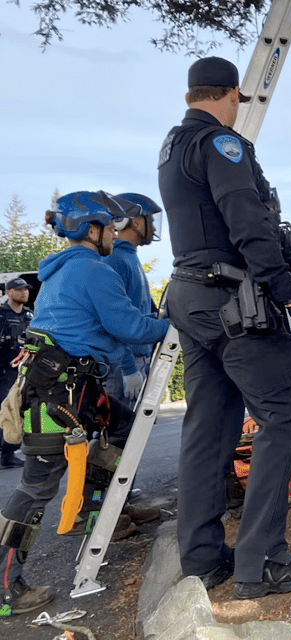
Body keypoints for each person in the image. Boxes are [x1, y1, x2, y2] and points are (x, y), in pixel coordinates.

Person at [157, 56, 291, 600]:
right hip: (234, 300)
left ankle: (205, 560)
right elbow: (248, 220)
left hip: (190, 294)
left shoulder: (171, 146)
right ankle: (263, 563)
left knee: (210, 426)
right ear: (232, 96)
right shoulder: (221, 144)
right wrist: (289, 291)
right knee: (286, 412)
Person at [0, 191, 169, 616]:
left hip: (68, 385)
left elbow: (104, 331)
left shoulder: (66, 269)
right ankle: (6, 585)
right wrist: (178, 321)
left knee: (121, 428)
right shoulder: (93, 270)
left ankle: (98, 513)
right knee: (37, 485)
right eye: (109, 227)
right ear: (91, 230)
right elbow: (128, 325)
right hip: (58, 390)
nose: (114, 233)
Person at [102, 193, 162, 404]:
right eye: (150, 221)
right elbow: (114, 321)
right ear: (134, 221)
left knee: (129, 433)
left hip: (136, 361)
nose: (153, 228)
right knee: (119, 434)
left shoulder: (129, 256)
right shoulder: (116, 259)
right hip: (122, 366)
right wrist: (129, 369)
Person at [0, 278, 34, 469]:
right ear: (9, 292)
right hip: (3, 370)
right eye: (19, 289)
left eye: (26, 290)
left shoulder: (30, 315)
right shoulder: (1, 314)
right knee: (4, 410)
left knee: (18, 410)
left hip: (24, 372)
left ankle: (8, 453)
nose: (24, 293)